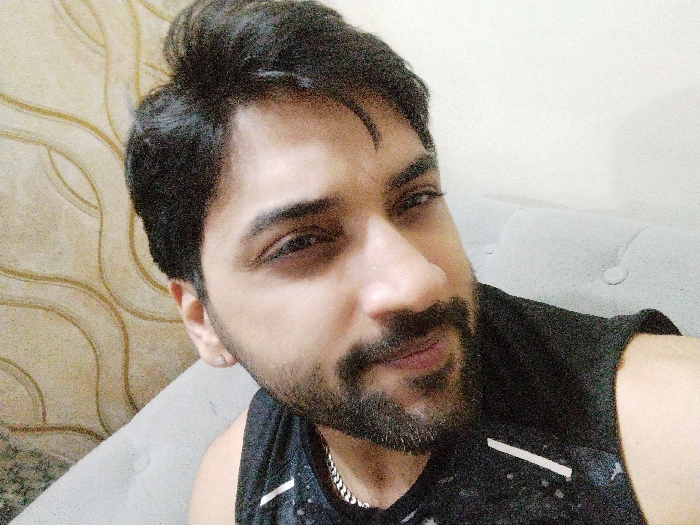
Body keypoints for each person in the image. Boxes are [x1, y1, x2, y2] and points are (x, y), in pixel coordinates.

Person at [124, 1, 700, 523]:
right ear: (203, 321)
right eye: (300, 243)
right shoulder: (232, 490)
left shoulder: (669, 430)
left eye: (415, 200)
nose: (419, 281)